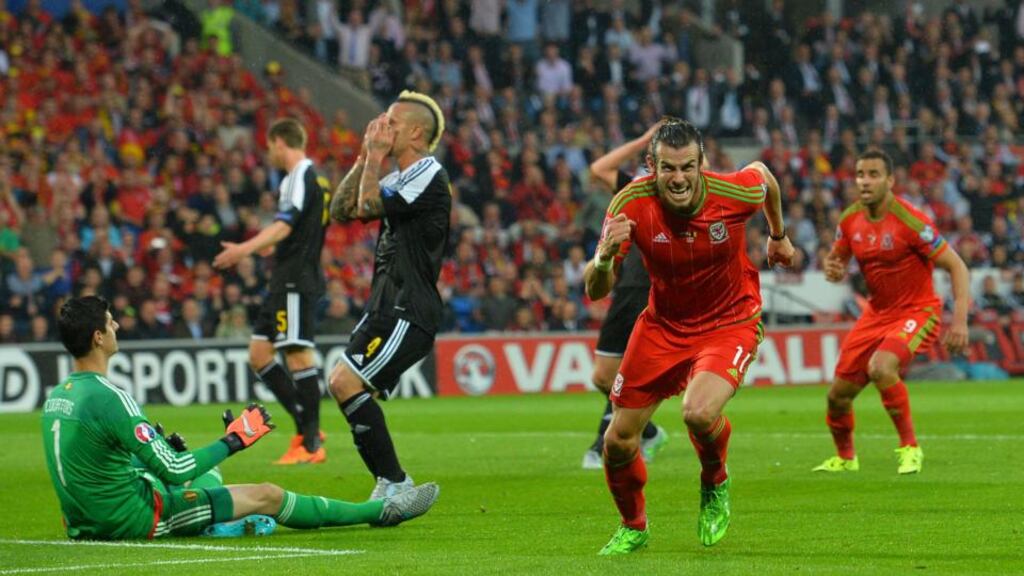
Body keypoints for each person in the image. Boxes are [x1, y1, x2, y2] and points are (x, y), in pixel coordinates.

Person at [41, 296, 439, 541]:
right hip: (134, 520)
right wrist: (234, 440)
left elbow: (97, 460)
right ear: (97, 337)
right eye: (110, 321)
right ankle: (383, 510)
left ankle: (221, 522)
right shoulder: (112, 398)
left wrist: (160, 451)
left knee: (209, 479)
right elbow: (177, 471)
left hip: (85, 519)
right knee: (266, 494)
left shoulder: (59, 395)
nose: (116, 326)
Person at [585, 119, 794, 553]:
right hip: (663, 326)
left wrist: (779, 236)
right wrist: (604, 259)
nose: (678, 179)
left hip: (730, 320)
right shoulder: (629, 203)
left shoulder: (733, 191)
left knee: (697, 412)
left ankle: (715, 480)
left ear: (702, 164)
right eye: (668, 169)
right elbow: (595, 289)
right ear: (651, 166)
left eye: (687, 167)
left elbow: (765, 178)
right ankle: (633, 526)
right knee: (618, 440)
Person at [815, 149, 969, 475]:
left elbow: (957, 266)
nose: (865, 181)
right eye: (860, 174)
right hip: (876, 314)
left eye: (873, 175)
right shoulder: (849, 219)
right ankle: (845, 458)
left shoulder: (911, 221)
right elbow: (838, 260)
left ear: (890, 180)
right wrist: (832, 268)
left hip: (918, 309)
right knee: (837, 398)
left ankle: (910, 448)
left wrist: (959, 321)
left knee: (882, 367)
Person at [328, 91, 450, 499]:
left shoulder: (429, 172)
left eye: (391, 123)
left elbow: (364, 204)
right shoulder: (399, 177)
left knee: (345, 381)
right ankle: (389, 483)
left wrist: (375, 158)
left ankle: (395, 482)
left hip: (408, 307)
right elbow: (342, 211)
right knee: (342, 383)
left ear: (416, 132)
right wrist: (366, 157)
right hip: (385, 302)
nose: (382, 128)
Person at [214, 118, 329, 465]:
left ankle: (310, 444)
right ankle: (305, 427)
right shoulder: (316, 179)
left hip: (295, 279)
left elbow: (285, 225)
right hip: (284, 277)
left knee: (297, 356)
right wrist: (272, 248)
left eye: (269, 146)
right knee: (260, 354)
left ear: (280, 142)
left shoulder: (297, 177)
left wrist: (245, 249)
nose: (269, 153)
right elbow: (299, 230)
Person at [580, 121, 669, 470]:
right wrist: (642, 138)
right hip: (627, 285)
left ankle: (617, 439)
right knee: (603, 376)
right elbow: (598, 169)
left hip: (659, 289)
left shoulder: (685, 187)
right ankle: (648, 431)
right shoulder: (635, 191)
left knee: (634, 372)